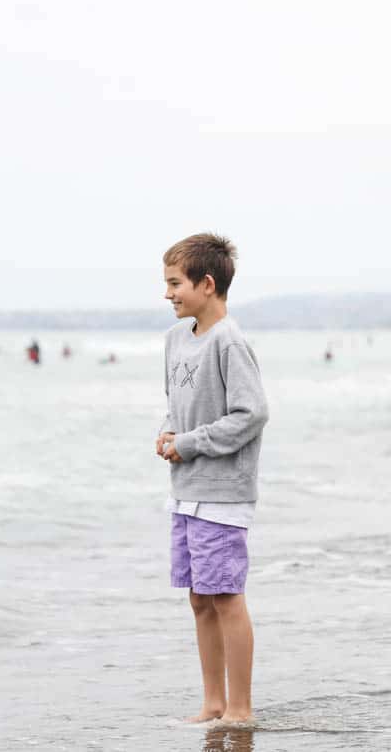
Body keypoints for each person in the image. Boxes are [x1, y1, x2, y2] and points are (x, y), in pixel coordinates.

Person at [156, 233, 269, 726]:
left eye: (175, 283)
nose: (167, 294)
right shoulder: (175, 339)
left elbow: (252, 414)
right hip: (186, 493)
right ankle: (213, 704)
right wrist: (166, 434)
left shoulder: (231, 342)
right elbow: (175, 406)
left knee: (225, 596)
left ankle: (239, 710)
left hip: (223, 496)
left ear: (207, 283)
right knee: (199, 598)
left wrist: (191, 443)